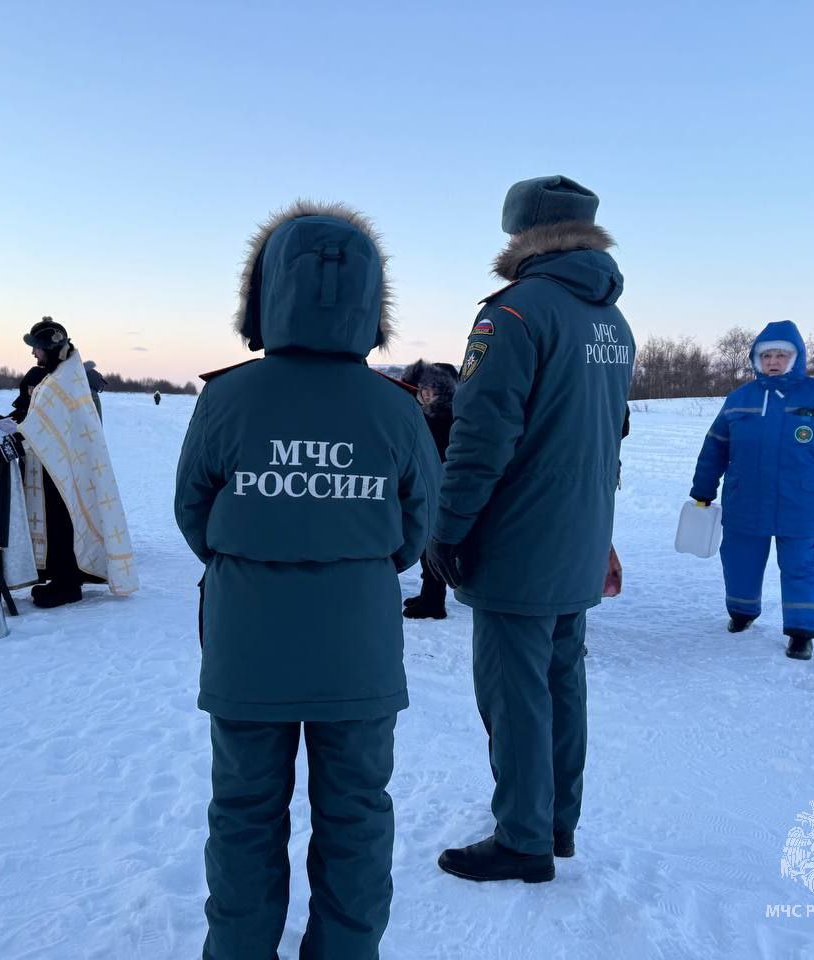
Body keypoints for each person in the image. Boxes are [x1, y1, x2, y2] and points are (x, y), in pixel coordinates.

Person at [174, 200, 440, 959]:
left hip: (248, 644)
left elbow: (193, 510)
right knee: (356, 814)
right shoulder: (395, 409)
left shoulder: (227, 398)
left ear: (265, 294)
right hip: (358, 647)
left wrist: (252, 552)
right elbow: (418, 525)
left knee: (244, 813)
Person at [427, 176, 634, 883]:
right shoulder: (612, 321)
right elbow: (608, 437)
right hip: (578, 534)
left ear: (520, 233)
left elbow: (480, 433)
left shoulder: (513, 313)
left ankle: (523, 837)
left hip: (518, 538)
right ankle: (555, 822)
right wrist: (600, 531)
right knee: (561, 681)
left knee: (514, 691)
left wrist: (447, 528)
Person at [690, 321, 814, 660]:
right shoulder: (740, 399)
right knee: (740, 560)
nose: (773, 361)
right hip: (746, 500)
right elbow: (715, 446)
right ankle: (741, 612)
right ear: (756, 359)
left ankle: (802, 633)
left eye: (781, 355)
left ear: (796, 357)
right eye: (767, 355)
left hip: (802, 503)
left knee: (802, 566)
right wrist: (703, 489)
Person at [0, 317, 138, 607]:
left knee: (63, 518)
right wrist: (11, 424)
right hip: (52, 462)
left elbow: (51, 423)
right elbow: (38, 416)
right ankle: (59, 576)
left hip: (63, 464)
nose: (33, 353)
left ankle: (68, 584)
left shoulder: (64, 380)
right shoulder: (57, 375)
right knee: (54, 518)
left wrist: (20, 431)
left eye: (36, 347)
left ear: (51, 347)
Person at [398, 359, 458, 618]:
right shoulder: (426, 415)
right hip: (431, 486)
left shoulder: (445, 418)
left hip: (441, 488)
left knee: (432, 545)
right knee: (426, 545)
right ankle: (429, 595)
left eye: (430, 388)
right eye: (422, 387)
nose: (424, 393)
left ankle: (434, 602)